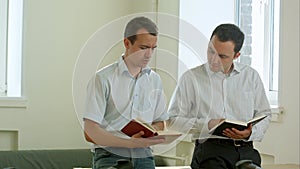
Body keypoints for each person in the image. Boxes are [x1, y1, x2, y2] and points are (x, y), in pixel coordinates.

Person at [167, 23, 271, 169]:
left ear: (237, 55)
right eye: (211, 51)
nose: (214, 59)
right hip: (210, 151)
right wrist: (207, 125)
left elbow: (265, 114)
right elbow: (173, 120)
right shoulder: (191, 78)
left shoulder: (251, 76)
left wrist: (250, 132)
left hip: (246, 150)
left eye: (222, 56)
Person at [83, 16, 168, 169]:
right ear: (127, 43)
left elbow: (160, 122)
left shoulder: (155, 80)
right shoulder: (103, 79)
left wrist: (152, 132)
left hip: (144, 156)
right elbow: (89, 133)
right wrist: (128, 143)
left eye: (153, 48)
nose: (149, 54)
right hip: (110, 157)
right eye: (143, 48)